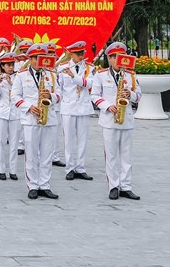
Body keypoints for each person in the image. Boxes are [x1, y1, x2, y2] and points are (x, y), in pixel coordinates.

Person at [91, 42, 141, 200]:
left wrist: (130, 95)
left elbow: (138, 95)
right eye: (114, 57)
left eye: (120, 56)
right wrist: (107, 106)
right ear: (109, 58)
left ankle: (126, 186)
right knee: (111, 155)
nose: (117, 60)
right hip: (109, 120)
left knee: (126, 155)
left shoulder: (131, 75)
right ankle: (113, 185)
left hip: (126, 119)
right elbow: (94, 95)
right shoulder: (101, 75)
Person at [12, 43, 61, 200]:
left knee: (47, 153)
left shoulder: (52, 74)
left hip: (49, 118)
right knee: (31, 154)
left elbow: (60, 94)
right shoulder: (21, 75)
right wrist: (28, 107)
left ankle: (45, 185)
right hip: (31, 119)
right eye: (35, 58)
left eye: (41, 58)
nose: (39, 61)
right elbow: (15, 96)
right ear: (30, 59)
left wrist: (51, 97)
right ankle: (33, 185)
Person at [58, 40, 95, 181]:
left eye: (82, 53)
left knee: (82, 139)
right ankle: (70, 168)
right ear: (71, 54)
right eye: (77, 54)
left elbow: (90, 84)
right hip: (68, 106)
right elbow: (58, 86)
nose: (80, 56)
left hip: (84, 107)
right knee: (69, 139)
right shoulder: (62, 67)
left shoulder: (90, 68)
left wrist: (74, 76)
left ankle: (80, 167)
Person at [0, 52, 20, 181]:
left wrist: (11, 84)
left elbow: (20, 95)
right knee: (1, 142)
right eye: (8, 65)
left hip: (15, 113)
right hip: (1, 113)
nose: (10, 67)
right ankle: (1, 170)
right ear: (2, 66)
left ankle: (13, 170)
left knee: (14, 143)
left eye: (12, 65)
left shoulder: (18, 77)